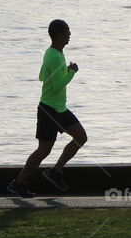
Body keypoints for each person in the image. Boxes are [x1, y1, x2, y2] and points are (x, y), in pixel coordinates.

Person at [7, 19, 88, 197]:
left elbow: (42, 76)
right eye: (67, 31)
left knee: (80, 137)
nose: (69, 34)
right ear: (59, 34)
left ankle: (55, 172)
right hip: (49, 110)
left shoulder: (52, 53)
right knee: (44, 149)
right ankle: (18, 183)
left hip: (59, 108)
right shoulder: (55, 56)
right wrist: (72, 71)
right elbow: (58, 85)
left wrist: (62, 70)